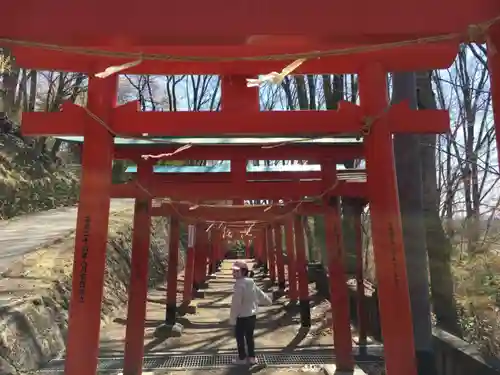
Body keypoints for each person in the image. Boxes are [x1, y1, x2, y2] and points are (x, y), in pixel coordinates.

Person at [229, 260, 272, 365]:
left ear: (243, 272)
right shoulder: (251, 282)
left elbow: (236, 304)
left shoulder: (239, 285)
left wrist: (232, 319)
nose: (234, 273)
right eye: (233, 271)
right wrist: (268, 301)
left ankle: (242, 358)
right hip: (252, 316)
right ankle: (252, 358)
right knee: (249, 337)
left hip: (241, 317)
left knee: (240, 338)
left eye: (237, 271)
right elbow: (259, 293)